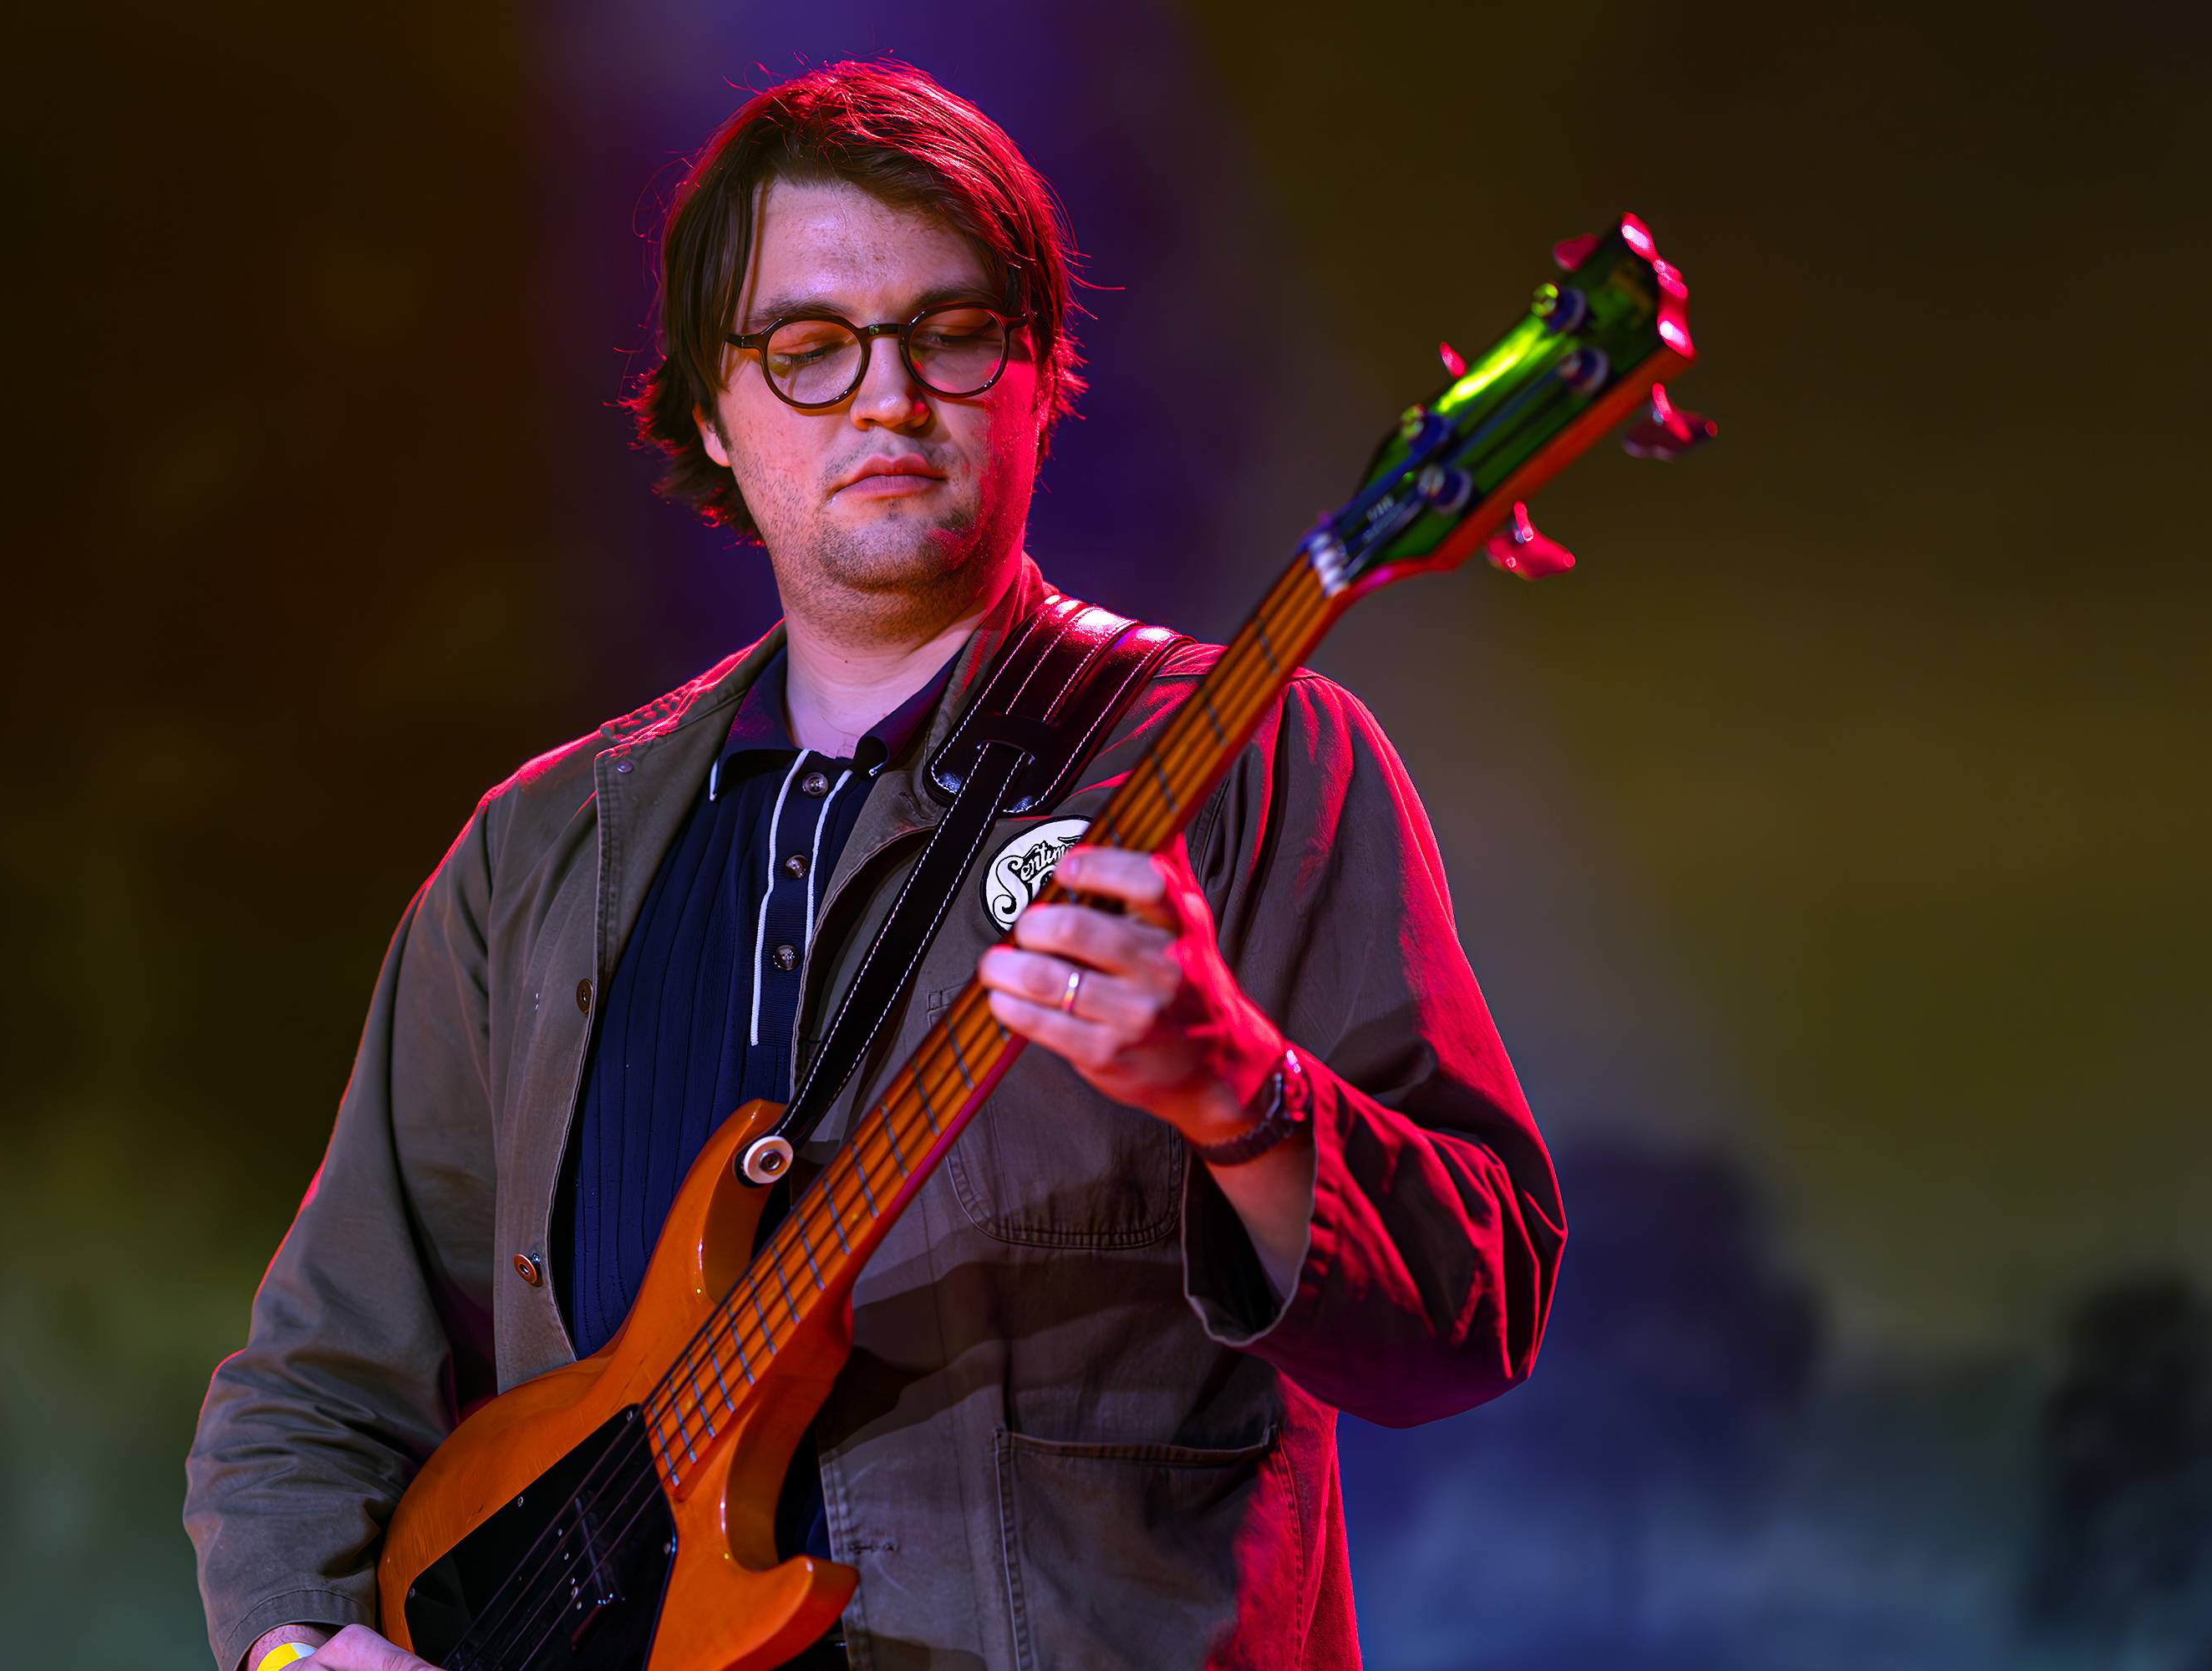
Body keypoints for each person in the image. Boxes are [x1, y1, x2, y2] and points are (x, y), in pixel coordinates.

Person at [185, 60, 1564, 1671]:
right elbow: (316, 1386)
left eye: (953, 332)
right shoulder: (538, 853)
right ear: (713, 412)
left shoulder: (1253, 756)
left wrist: (1240, 1094)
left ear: (1040, 375)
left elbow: (1475, 1311)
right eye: (809, 348)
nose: (889, 398)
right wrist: (298, 1650)